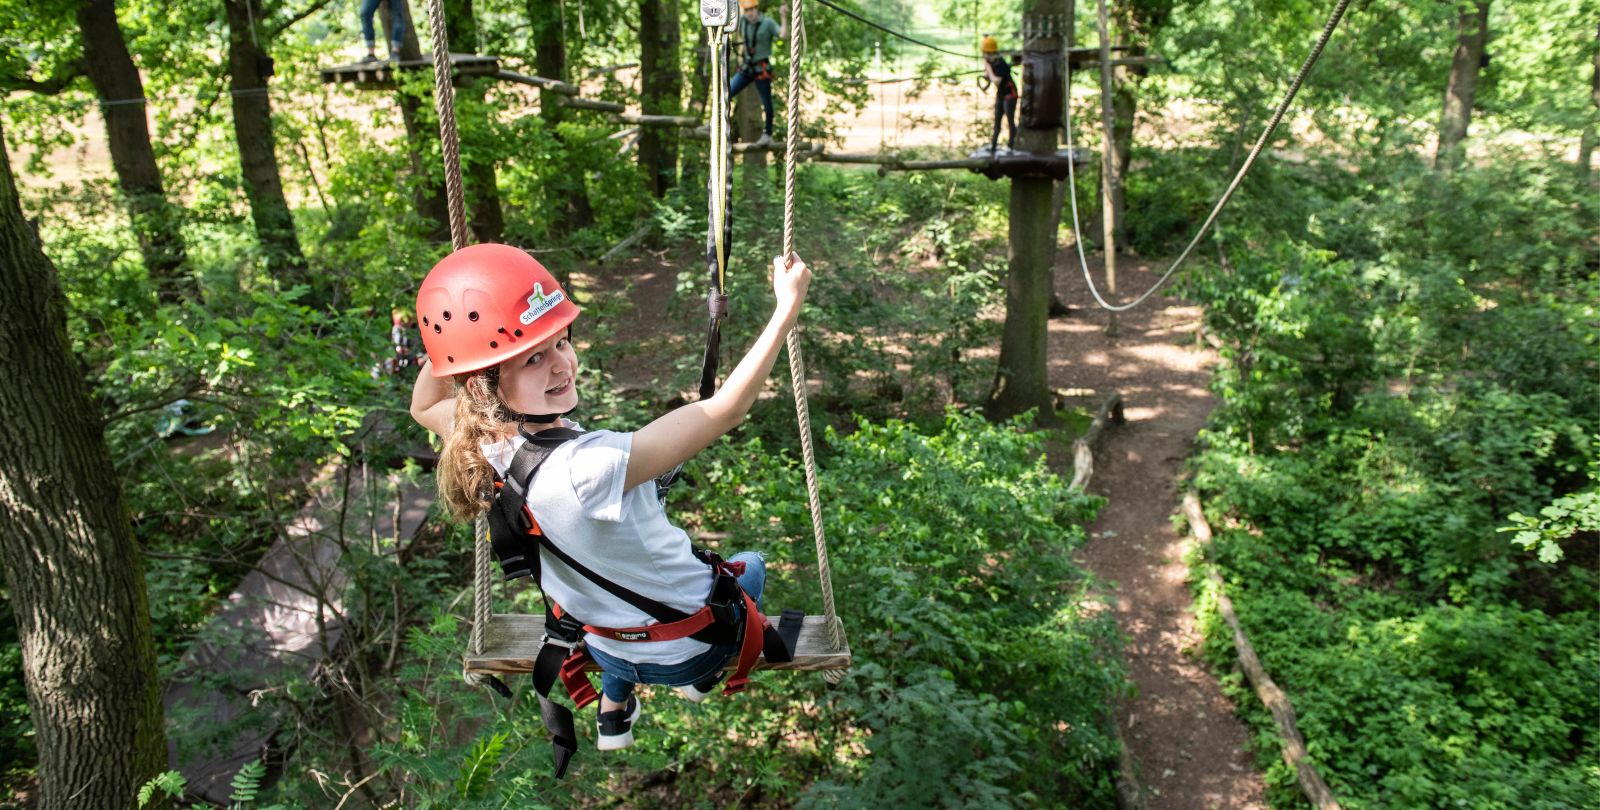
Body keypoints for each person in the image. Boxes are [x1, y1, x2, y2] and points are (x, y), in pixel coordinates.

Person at [409, 243, 812, 751]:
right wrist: (786, 309)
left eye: (562, 342)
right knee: (749, 564)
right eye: (535, 357)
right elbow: (726, 410)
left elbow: (424, 403)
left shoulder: (480, 444)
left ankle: (615, 709)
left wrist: (459, 344)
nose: (562, 366)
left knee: (615, 594)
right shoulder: (588, 466)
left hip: (602, 645)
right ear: (486, 388)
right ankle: (695, 680)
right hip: (687, 646)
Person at [729, 0, 789, 147]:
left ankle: (767, 134)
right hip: (747, 68)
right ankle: (715, 123)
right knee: (726, 92)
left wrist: (783, 17)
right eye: (747, 10)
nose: (749, 13)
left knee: (766, 103)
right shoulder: (742, 21)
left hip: (761, 68)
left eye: (751, 10)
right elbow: (730, 23)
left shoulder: (767, 23)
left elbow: (783, 35)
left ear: (756, 9)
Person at [981, 35, 1017, 153]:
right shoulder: (991, 63)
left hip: (1009, 95)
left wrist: (988, 69)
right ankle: (993, 146)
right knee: (997, 120)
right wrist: (987, 73)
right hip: (1001, 94)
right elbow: (990, 78)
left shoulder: (1001, 64)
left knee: (1010, 120)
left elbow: (996, 80)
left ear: (989, 52)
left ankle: (1011, 145)